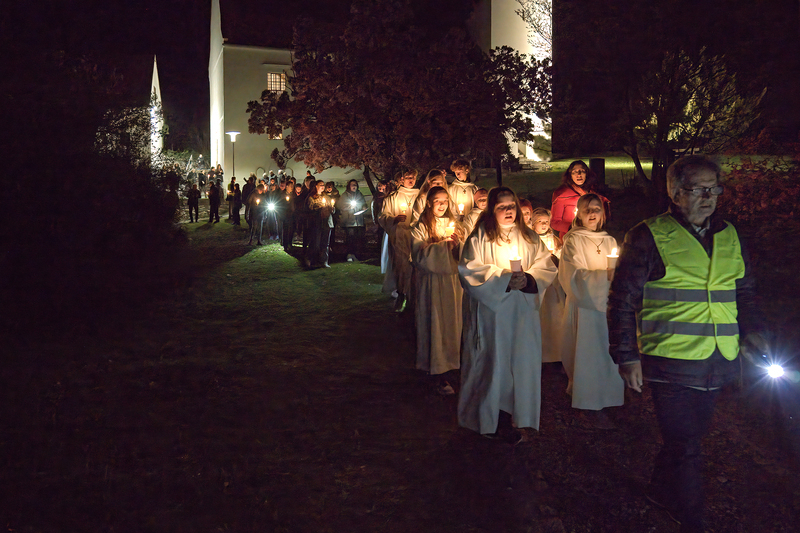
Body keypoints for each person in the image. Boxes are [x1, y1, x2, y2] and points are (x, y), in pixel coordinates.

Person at [608, 156, 763, 532]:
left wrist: (753, 333)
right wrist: (627, 356)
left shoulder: (729, 234)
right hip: (669, 361)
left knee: (685, 438)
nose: (709, 197)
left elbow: (744, 292)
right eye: (698, 189)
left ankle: (659, 491)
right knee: (687, 445)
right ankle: (692, 519)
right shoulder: (648, 235)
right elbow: (622, 300)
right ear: (675, 193)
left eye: (714, 188)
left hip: (718, 360)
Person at [458, 187, 558, 442]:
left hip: (522, 314)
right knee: (495, 365)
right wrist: (504, 279)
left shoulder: (529, 236)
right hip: (493, 316)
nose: (508, 211)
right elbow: (469, 270)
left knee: (520, 363)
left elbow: (546, 266)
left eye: (511, 206)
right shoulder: (480, 237)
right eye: (502, 207)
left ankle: (516, 416)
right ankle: (491, 419)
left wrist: (529, 280)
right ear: (492, 209)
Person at [559, 193, 623, 428]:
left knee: (606, 352)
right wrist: (603, 279)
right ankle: (587, 403)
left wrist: (615, 278)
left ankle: (609, 397)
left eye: (596, 208)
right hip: (584, 308)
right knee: (586, 354)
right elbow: (572, 275)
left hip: (606, 307)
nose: (592, 213)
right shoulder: (573, 240)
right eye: (587, 209)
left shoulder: (610, 241)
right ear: (579, 214)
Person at [411, 187, 465, 395]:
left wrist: (457, 246)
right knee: (435, 324)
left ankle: (453, 363)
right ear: (428, 203)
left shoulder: (455, 225)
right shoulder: (421, 227)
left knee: (452, 323)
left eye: (445, 201)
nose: (442, 205)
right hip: (432, 283)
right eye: (437, 201)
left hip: (452, 283)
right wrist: (443, 247)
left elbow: (466, 252)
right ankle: (436, 369)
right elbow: (419, 256)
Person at [378, 169, 420, 312]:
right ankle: (401, 293)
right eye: (408, 177)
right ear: (402, 179)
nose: (411, 180)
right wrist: (394, 219)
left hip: (417, 235)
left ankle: (415, 297)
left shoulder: (420, 195)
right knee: (402, 266)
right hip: (400, 235)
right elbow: (383, 216)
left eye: (413, 177)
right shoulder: (393, 197)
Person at [530, 206, 564, 365]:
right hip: (538, 284)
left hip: (553, 286)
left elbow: (561, 255)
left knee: (554, 316)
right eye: (540, 221)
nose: (544, 224)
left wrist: (555, 259)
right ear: (533, 223)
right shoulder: (530, 240)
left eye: (546, 221)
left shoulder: (555, 240)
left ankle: (555, 352)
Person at [550, 160, 608, 237]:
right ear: (570, 175)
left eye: (582, 171)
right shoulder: (562, 194)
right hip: (571, 237)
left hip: (592, 235)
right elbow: (555, 222)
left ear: (587, 174)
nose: (579, 174)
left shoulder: (594, 192)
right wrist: (574, 228)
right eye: (575, 172)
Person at [306, 179, 334, 268]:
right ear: (316, 186)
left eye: (323, 185)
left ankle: (324, 261)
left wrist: (332, 209)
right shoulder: (312, 198)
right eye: (320, 185)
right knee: (315, 242)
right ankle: (312, 260)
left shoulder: (326, 197)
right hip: (317, 223)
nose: (322, 186)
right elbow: (309, 210)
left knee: (325, 243)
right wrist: (319, 209)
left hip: (327, 222)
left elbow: (332, 209)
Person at [337, 179, 367, 262]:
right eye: (352, 185)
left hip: (358, 221)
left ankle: (356, 254)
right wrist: (347, 207)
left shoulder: (359, 194)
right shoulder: (345, 195)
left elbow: (363, 203)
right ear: (349, 186)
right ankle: (349, 254)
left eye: (355, 185)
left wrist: (364, 207)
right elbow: (340, 206)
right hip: (349, 221)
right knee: (350, 238)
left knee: (357, 238)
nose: (354, 186)